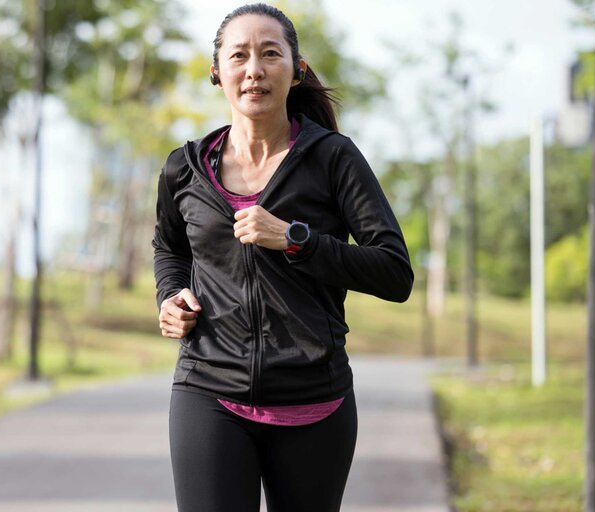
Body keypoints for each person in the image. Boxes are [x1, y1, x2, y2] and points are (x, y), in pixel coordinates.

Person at [152, 3, 414, 511]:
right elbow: (170, 247)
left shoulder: (334, 158)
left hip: (315, 401)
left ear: (296, 71)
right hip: (208, 387)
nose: (254, 69)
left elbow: (394, 272)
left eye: (271, 54)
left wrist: (297, 239)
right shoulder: (184, 169)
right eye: (239, 56)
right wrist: (170, 296)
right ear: (217, 72)